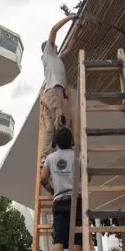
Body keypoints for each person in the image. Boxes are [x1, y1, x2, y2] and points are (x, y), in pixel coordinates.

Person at [40, 127, 83, 251]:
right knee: (77, 238)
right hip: (76, 201)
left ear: (56, 142)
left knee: (58, 238)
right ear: (71, 140)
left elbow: (43, 180)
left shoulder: (50, 158)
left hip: (59, 201)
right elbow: (88, 177)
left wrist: (54, 192)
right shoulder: (77, 156)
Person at [40, 13, 77, 163]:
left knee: (49, 129)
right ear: (48, 47)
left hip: (49, 94)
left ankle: (45, 156)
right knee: (59, 124)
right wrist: (70, 18)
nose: (56, 45)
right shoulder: (48, 53)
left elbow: (69, 47)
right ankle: (64, 152)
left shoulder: (56, 57)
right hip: (54, 92)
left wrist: (76, 29)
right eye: (54, 44)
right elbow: (54, 29)